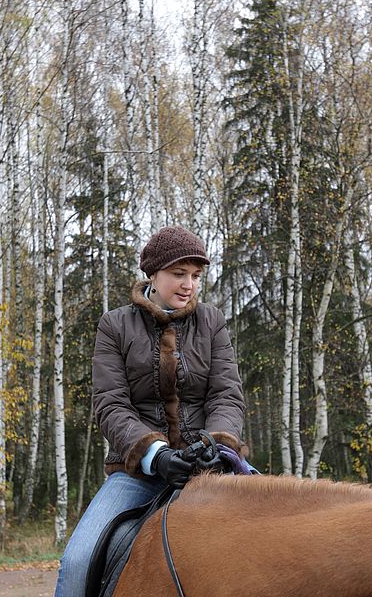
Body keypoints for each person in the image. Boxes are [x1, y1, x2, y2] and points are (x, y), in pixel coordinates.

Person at [54, 225, 246, 596]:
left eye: (195, 275)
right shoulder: (114, 325)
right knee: (77, 561)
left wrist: (215, 443)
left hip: (211, 466)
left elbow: (226, 394)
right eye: (178, 274)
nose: (188, 284)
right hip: (138, 474)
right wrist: (155, 456)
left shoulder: (212, 321)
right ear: (152, 274)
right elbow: (110, 403)